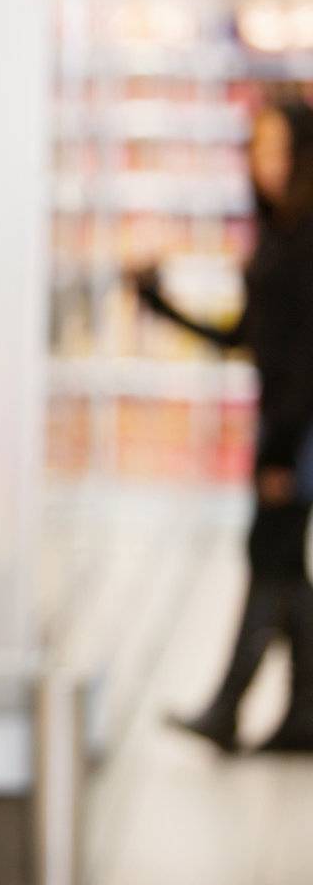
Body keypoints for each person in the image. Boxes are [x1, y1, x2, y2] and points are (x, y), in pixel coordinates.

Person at [130, 96, 313, 753]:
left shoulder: (305, 237)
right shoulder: (278, 234)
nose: (266, 164)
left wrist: (283, 453)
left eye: (279, 150)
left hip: (296, 431)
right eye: (258, 150)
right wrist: (161, 304)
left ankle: (228, 707)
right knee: (285, 565)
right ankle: (299, 714)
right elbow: (246, 336)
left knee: (270, 556)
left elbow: (302, 358)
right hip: (283, 424)